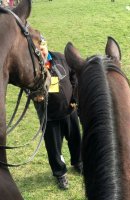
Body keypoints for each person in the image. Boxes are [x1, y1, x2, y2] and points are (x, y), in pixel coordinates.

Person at [37, 36, 82, 190]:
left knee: (75, 138)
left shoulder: (60, 58)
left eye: (42, 47)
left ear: (46, 45)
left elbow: (73, 76)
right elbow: (27, 87)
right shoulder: (33, 66)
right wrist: (35, 97)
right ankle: (60, 173)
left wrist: (75, 98)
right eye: (37, 49)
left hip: (70, 110)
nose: (40, 51)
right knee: (54, 148)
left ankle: (78, 162)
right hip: (49, 117)